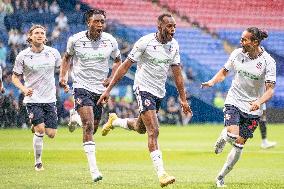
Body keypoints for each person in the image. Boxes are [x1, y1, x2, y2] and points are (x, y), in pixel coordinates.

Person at [97, 14, 192, 187]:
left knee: (140, 128)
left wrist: (183, 99)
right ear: (159, 26)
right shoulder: (145, 42)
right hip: (143, 88)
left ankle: (115, 121)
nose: (173, 30)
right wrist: (108, 89)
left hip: (159, 92)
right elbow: (125, 66)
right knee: (154, 131)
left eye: (174, 26)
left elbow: (177, 73)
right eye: (169, 26)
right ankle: (162, 174)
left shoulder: (174, 45)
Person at [201, 27, 276, 187]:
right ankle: (224, 136)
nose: (241, 42)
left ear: (255, 42)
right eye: (241, 39)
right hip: (234, 100)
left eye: (244, 40)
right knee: (232, 135)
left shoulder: (268, 62)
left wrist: (258, 102)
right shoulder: (236, 54)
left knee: (239, 146)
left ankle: (220, 177)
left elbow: (270, 91)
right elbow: (223, 72)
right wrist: (211, 82)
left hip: (253, 108)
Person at [59, 9, 122, 182]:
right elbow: (67, 58)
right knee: (88, 125)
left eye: (102, 21)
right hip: (81, 86)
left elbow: (118, 61)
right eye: (97, 21)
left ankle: (74, 118)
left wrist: (110, 78)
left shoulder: (110, 41)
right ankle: (94, 170)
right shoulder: (75, 40)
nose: (100, 25)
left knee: (92, 128)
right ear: (88, 22)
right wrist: (63, 77)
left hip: (99, 90)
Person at [11, 24, 61, 171]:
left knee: (51, 134)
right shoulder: (22, 56)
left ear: (45, 37)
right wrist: (24, 89)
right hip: (33, 99)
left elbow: (62, 67)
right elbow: (15, 77)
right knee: (40, 130)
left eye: (42, 33)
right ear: (30, 37)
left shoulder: (53, 53)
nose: (40, 35)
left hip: (50, 98)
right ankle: (38, 162)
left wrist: (63, 80)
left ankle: (35, 124)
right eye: (37, 33)